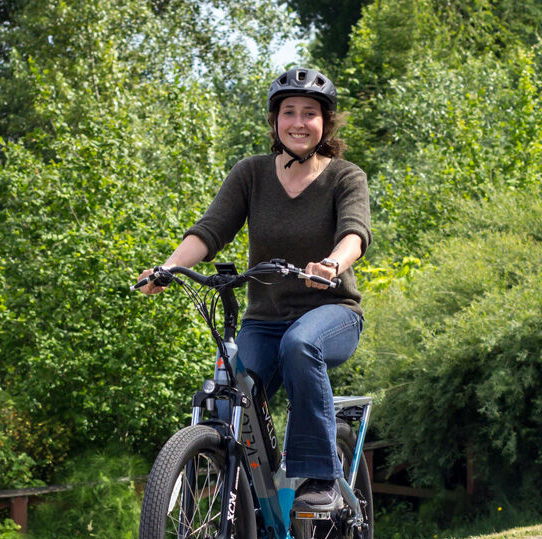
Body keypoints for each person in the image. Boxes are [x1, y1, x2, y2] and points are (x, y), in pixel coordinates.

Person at [137, 67, 371, 513]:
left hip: (332, 311)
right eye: (289, 112)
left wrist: (332, 265)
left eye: (310, 113)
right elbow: (209, 232)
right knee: (233, 383)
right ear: (274, 121)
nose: (299, 122)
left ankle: (319, 475)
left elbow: (354, 235)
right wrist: (168, 268)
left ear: (326, 123)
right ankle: (241, 522)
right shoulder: (251, 174)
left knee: (301, 345)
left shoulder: (345, 176)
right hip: (265, 319)